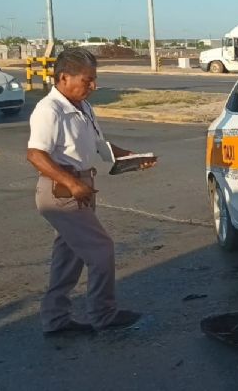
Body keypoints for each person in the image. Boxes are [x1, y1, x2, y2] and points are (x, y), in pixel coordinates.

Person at [27, 48, 156, 336]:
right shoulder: (50, 110)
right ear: (64, 77)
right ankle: (103, 313)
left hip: (81, 187)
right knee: (101, 249)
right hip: (62, 191)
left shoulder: (82, 106)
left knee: (68, 258)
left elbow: (99, 146)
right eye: (88, 80)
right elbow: (35, 154)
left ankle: (55, 319)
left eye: (94, 79)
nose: (93, 86)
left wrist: (131, 157)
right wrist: (73, 184)